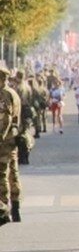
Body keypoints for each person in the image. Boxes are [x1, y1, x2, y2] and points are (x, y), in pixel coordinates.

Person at [0, 67, 22, 225]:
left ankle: (3, 209)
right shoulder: (13, 92)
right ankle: (15, 207)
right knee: (13, 173)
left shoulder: (4, 94)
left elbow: (5, 119)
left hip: (5, 141)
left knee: (2, 174)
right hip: (12, 139)